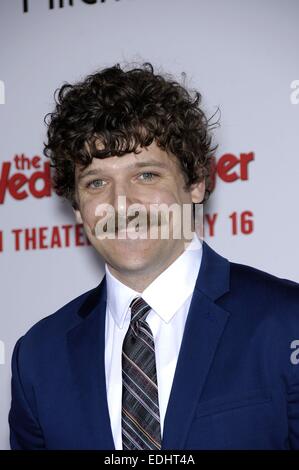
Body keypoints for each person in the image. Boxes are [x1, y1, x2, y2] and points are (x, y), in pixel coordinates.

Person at [9, 63, 299, 450]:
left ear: (196, 183)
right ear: (77, 207)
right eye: (96, 182)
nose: (121, 204)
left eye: (146, 175)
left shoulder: (286, 321)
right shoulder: (39, 356)